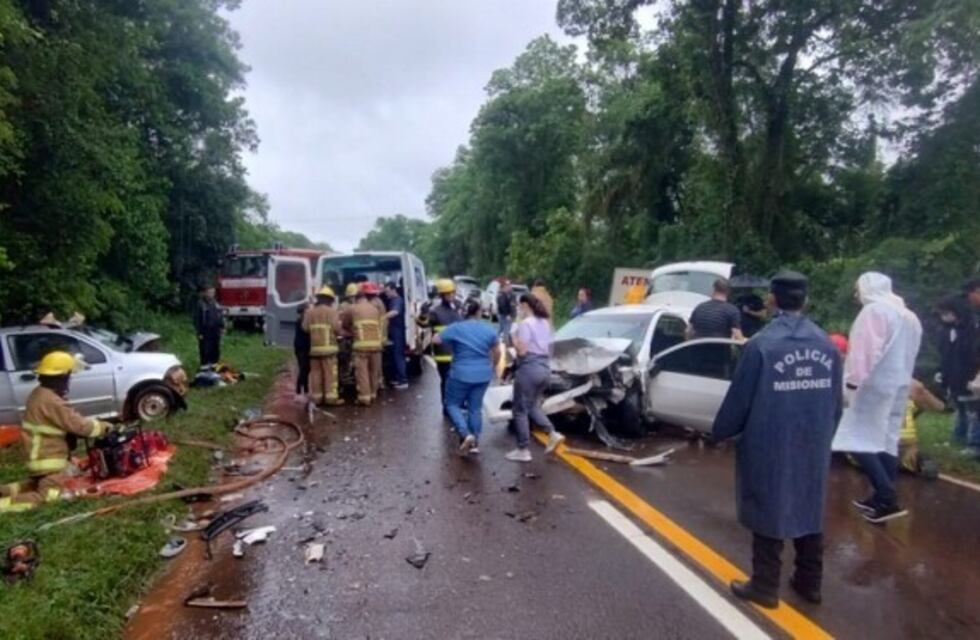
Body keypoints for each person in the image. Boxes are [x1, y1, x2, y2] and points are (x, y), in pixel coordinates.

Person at [712, 271, 842, 609]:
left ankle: (765, 586)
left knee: (767, 503)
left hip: (768, 438)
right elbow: (835, 400)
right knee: (809, 503)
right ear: (806, 300)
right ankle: (809, 583)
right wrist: (826, 434)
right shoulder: (827, 345)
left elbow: (740, 399)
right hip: (813, 440)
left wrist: (720, 432)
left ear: (771, 299)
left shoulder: (761, 346)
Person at [832, 272, 922, 524]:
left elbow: (863, 353)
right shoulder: (909, 316)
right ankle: (881, 497)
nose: (856, 294)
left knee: (855, 439)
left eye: (858, 288)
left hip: (873, 384)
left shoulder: (874, 312)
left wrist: (851, 384)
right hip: (899, 383)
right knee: (886, 440)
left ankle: (886, 496)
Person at [0, 352, 111, 513]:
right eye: (68, 376)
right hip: (48, 463)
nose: (69, 380)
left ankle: (3, 491)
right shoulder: (51, 401)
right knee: (48, 496)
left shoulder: (40, 394)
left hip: (38, 460)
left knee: (35, 484)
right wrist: (104, 427)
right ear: (60, 377)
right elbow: (80, 425)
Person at [434, 298, 500, 455]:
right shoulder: (489, 329)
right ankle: (475, 442)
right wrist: (493, 366)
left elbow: (436, 340)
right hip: (483, 374)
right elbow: (497, 351)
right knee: (475, 408)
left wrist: (448, 339)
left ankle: (465, 434)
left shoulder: (456, 328)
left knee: (452, 404)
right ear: (478, 312)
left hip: (460, 373)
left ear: (463, 312)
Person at [506, 293, 565, 462]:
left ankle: (523, 449)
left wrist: (513, 337)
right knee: (532, 406)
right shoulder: (545, 323)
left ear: (525, 305)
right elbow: (550, 348)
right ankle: (552, 433)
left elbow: (522, 351)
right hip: (545, 368)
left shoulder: (526, 323)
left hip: (529, 368)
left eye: (520, 306)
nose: (519, 309)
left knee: (519, 410)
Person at [936, 294, 980, 457]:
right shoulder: (946, 331)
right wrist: (942, 373)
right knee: (960, 409)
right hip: (954, 377)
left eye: (947, 312)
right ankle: (959, 437)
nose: (944, 316)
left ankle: (974, 444)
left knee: (974, 411)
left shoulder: (972, 329)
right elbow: (945, 355)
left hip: (970, 376)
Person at [418, 279, 461, 404]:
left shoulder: (458, 308)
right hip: (443, 354)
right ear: (442, 295)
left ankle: (457, 404)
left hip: (458, 352)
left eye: (453, 293)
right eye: (448, 293)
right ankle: (447, 406)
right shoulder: (435, 311)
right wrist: (422, 314)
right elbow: (423, 324)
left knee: (459, 380)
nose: (451, 295)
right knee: (446, 381)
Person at [342, 284, 384, 406]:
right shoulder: (375, 309)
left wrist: (352, 330)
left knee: (362, 372)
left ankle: (364, 398)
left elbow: (345, 325)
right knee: (373, 370)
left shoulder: (352, 309)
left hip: (361, 345)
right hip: (376, 345)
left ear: (356, 297)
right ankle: (373, 394)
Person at [303, 287, 344, 406]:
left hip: (315, 350)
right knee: (330, 374)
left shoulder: (310, 312)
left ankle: (317, 399)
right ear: (330, 300)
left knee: (316, 375)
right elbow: (337, 328)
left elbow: (305, 328)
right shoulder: (332, 311)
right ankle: (331, 399)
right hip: (329, 349)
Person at [364, 283, 389, 394]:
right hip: (380, 336)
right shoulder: (379, 302)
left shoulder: (373, 304)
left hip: (374, 337)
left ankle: (376, 385)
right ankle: (379, 382)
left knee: (374, 365)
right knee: (377, 363)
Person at [384, 282, 409, 390]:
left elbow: (395, 312)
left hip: (398, 331)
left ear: (393, 290)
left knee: (398, 356)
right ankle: (397, 378)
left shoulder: (398, 300)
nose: (386, 294)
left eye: (387, 291)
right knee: (394, 355)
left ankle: (403, 380)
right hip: (394, 331)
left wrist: (381, 318)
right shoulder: (393, 300)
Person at [193, 284, 224, 369]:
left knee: (215, 347)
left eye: (213, 292)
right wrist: (199, 332)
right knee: (205, 348)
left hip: (215, 329)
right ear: (205, 293)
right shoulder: (200, 304)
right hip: (205, 330)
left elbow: (220, 315)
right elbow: (197, 319)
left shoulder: (215, 303)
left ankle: (214, 364)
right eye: (209, 292)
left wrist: (222, 327)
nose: (211, 294)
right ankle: (204, 366)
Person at [294, 304, 311, 401]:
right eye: (307, 310)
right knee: (303, 369)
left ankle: (305, 390)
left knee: (306, 370)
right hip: (302, 348)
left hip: (302, 347)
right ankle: (299, 392)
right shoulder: (302, 321)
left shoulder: (300, 320)